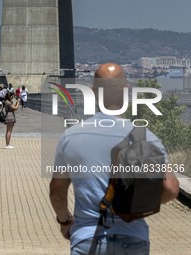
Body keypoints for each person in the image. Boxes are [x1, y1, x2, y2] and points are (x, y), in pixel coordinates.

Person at [49, 63, 179, 255]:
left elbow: (57, 192)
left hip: (86, 238)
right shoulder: (145, 136)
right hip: (133, 237)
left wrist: (65, 221)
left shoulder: (71, 136)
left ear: (92, 92)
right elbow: (170, 188)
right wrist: (137, 207)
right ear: (126, 91)